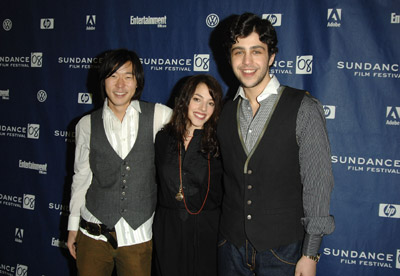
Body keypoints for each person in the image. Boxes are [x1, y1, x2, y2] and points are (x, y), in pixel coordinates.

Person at [216, 13, 335, 276]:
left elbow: (317, 182)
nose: (247, 62)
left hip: (284, 252)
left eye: (256, 51)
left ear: (271, 57)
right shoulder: (225, 112)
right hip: (230, 247)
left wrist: (311, 253)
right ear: (230, 58)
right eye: (238, 52)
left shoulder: (303, 108)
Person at [66, 48, 172, 276]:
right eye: (113, 76)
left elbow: (190, 125)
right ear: (103, 81)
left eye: (128, 76)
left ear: (137, 82)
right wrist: (72, 227)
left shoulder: (159, 115)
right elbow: (81, 177)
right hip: (93, 234)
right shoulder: (86, 124)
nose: (120, 84)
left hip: (138, 235)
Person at [152, 74, 223, 276]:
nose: (203, 109)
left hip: (206, 231)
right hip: (168, 229)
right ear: (185, 99)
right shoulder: (164, 138)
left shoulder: (220, 142)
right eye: (197, 99)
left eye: (210, 103)